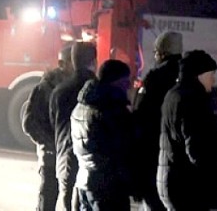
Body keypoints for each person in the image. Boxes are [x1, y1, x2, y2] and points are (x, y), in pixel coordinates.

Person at [157, 50, 217, 211]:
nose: (214, 79)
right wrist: (216, 181)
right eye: (211, 74)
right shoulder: (193, 99)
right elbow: (199, 149)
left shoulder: (173, 94)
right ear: (200, 74)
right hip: (189, 188)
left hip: (171, 180)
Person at [71, 59, 137, 211]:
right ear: (115, 82)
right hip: (108, 187)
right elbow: (124, 147)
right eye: (126, 81)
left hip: (84, 181)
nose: (128, 86)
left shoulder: (81, 105)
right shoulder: (111, 109)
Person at [132, 31, 183, 211]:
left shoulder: (153, 79)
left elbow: (139, 118)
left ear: (161, 53)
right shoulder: (189, 79)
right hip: (182, 164)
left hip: (154, 156)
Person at [22, 44, 74, 211]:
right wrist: (50, 144)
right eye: (72, 62)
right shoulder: (44, 89)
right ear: (62, 64)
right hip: (51, 156)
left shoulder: (74, 87)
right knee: (48, 197)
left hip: (67, 155)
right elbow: (29, 123)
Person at [49, 41, 97, 211]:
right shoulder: (97, 89)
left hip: (63, 160)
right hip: (90, 166)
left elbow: (53, 123)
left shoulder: (58, 91)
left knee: (66, 204)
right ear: (94, 62)